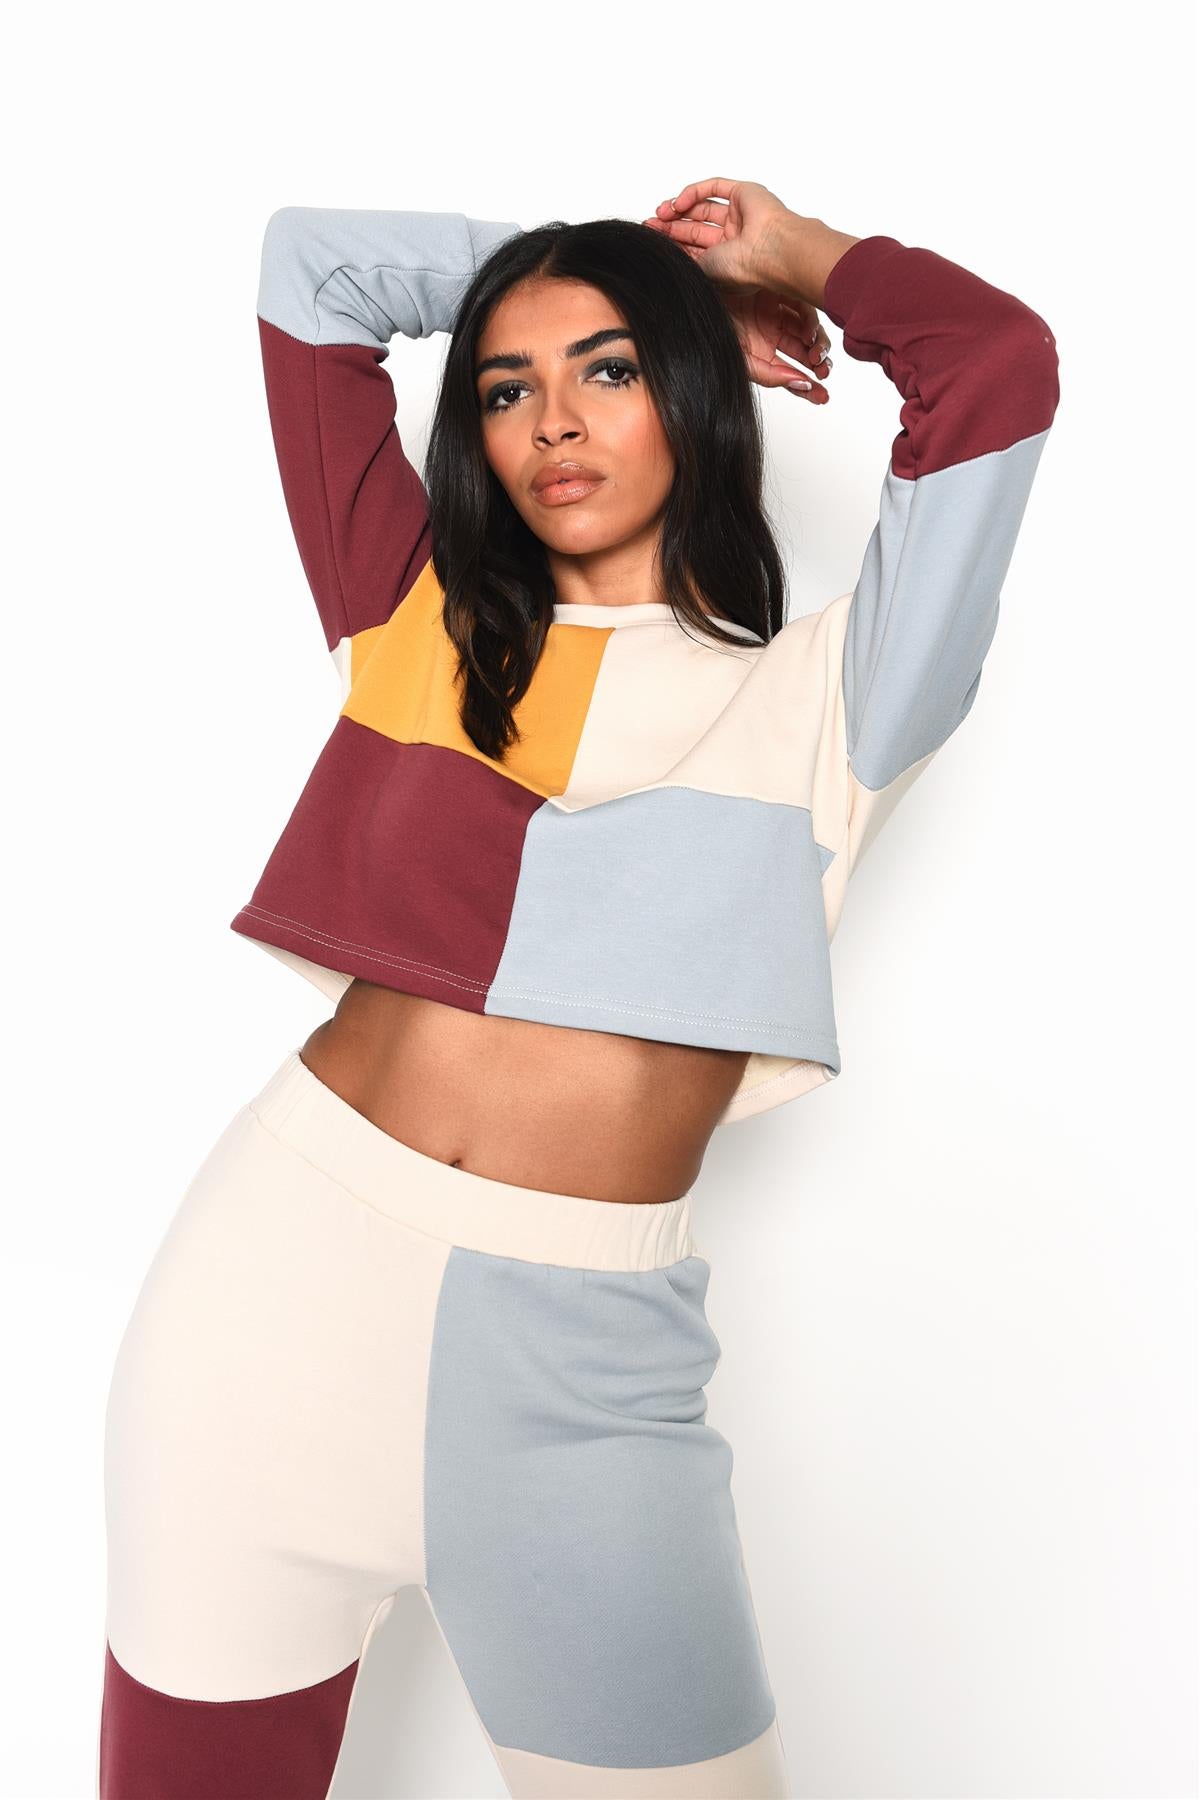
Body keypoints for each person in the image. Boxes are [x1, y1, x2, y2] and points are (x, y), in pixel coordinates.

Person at [97, 177, 1059, 1799]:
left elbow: (996, 364)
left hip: (584, 1376)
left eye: (610, 370)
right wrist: (610, 286)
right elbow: (311, 275)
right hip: (265, 1302)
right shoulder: (411, 617)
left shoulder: (841, 696)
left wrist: (760, 270)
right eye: (505, 387)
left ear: (686, 390)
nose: (553, 420)